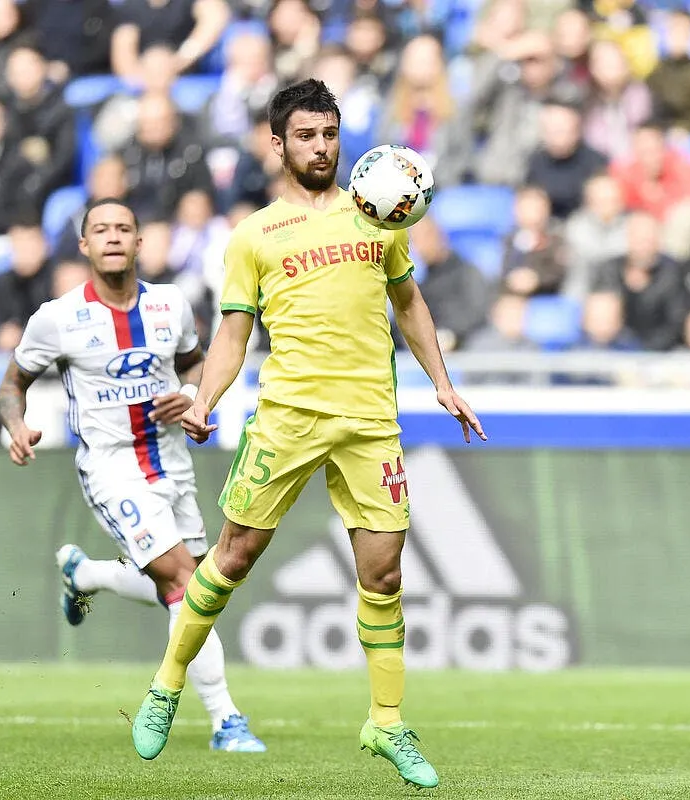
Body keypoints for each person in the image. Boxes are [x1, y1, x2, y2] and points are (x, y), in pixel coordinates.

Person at [129, 79, 485, 788]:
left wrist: (441, 382)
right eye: (306, 136)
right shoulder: (253, 235)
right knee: (231, 558)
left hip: (369, 420)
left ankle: (386, 723)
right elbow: (234, 334)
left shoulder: (380, 213)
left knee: (383, 574)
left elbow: (408, 301)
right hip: (288, 414)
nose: (321, 147)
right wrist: (204, 400)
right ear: (277, 143)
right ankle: (166, 686)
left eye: (329, 134)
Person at [0, 197, 265, 753]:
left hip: (172, 463)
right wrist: (17, 426)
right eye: (101, 229)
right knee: (187, 582)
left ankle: (86, 574)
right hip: (110, 466)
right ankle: (225, 720)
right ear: (84, 246)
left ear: (140, 242)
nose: (113, 236)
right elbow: (10, 385)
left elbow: (194, 364)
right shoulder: (58, 317)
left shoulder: (171, 304)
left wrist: (192, 396)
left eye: (124, 228)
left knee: (186, 586)